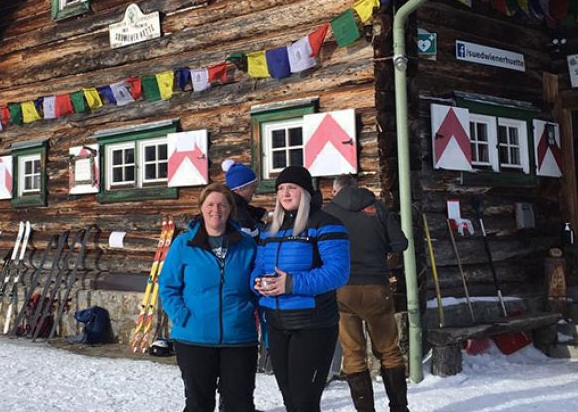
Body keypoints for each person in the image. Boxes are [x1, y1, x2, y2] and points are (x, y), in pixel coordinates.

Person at [252, 166, 350, 412]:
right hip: (276, 323)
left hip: (312, 324)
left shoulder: (326, 224)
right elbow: (258, 266)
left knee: (304, 401)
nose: (285, 194)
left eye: (292, 188)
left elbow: (338, 272)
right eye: (281, 189)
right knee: (289, 399)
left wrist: (292, 283)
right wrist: (256, 283)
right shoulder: (270, 229)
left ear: (305, 192)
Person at [160, 183, 259, 412]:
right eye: (211, 204)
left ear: (230, 209)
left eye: (222, 205)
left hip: (239, 339)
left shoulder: (246, 245)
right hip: (194, 339)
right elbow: (167, 286)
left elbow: (257, 284)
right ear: (202, 208)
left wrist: (250, 314)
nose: (216, 210)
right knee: (198, 404)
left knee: (240, 404)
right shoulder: (184, 244)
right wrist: (183, 316)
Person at [324, 175, 409, 412]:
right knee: (390, 351)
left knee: (353, 355)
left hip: (342, 290)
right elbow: (400, 243)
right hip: (376, 288)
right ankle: (399, 407)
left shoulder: (329, 212)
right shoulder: (378, 208)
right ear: (356, 187)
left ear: (336, 191)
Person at [222, 159, 267, 239]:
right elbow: (252, 240)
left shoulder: (237, 206)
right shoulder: (238, 213)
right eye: (252, 187)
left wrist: (260, 214)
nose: (254, 190)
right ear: (239, 188)